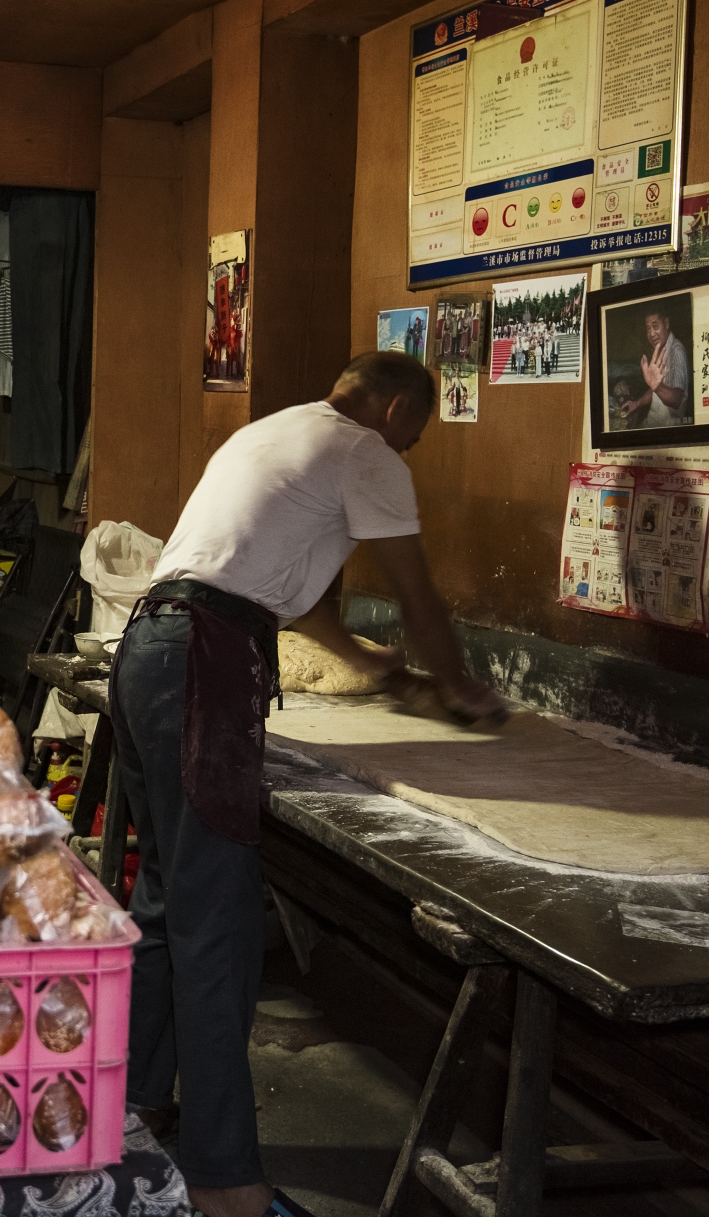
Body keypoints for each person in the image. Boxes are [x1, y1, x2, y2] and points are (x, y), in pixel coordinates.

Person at [110, 352, 503, 1217]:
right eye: (418, 433)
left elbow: (295, 598)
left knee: (170, 902)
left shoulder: (274, 431)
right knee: (221, 928)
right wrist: (460, 687)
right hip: (204, 664)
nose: (412, 451)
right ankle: (223, 1178)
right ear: (398, 407)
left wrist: (367, 663)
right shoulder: (371, 453)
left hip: (147, 651)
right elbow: (417, 593)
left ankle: (133, 1111)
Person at [621, 308, 690, 427]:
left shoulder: (677, 351)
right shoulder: (662, 348)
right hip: (651, 421)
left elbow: (677, 399)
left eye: (655, 326)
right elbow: (655, 389)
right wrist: (637, 403)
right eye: (648, 328)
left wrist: (656, 386)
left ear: (666, 323)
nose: (651, 334)